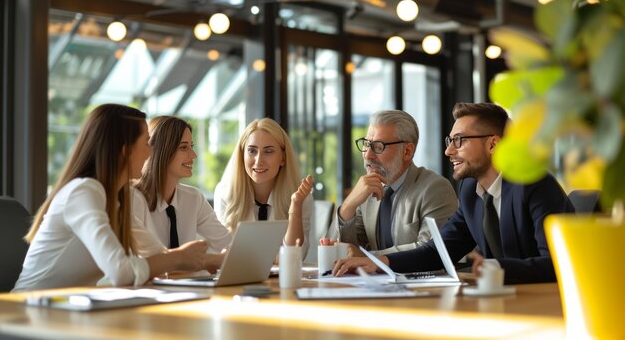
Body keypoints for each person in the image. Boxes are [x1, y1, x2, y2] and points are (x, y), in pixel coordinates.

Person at [334, 102, 575, 284]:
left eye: (459, 141)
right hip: (503, 299)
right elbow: (436, 252)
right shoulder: (470, 191)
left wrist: (494, 268)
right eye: (450, 140)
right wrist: (378, 262)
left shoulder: (535, 184)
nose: (448, 151)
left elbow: (557, 264)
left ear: (493, 144)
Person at [13, 104, 207, 292]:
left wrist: (195, 258)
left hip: (66, 311)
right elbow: (120, 271)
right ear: (125, 150)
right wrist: (179, 258)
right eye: (146, 143)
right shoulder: (83, 192)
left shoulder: (117, 198)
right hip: (26, 312)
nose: (150, 153)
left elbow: (158, 256)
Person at [337, 110, 457, 255]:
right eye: (366, 144)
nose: (368, 155)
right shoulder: (367, 189)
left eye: (378, 146)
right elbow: (338, 250)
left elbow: (431, 250)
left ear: (407, 151)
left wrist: (369, 257)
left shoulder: (435, 188)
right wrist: (348, 207)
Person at [132, 116, 232, 273]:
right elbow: (142, 263)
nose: (193, 155)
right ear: (162, 150)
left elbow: (228, 243)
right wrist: (210, 260)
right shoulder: (132, 199)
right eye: (184, 147)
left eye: (191, 146)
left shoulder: (193, 198)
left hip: (192, 289)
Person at [214, 118, 314, 258]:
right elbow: (223, 254)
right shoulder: (225, 193)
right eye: (252, 151)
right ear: (242, 155)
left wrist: (295, 207)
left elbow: (296, 256)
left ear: (283, 158)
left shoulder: (301, 197)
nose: (258, 160)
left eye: (268, 151)